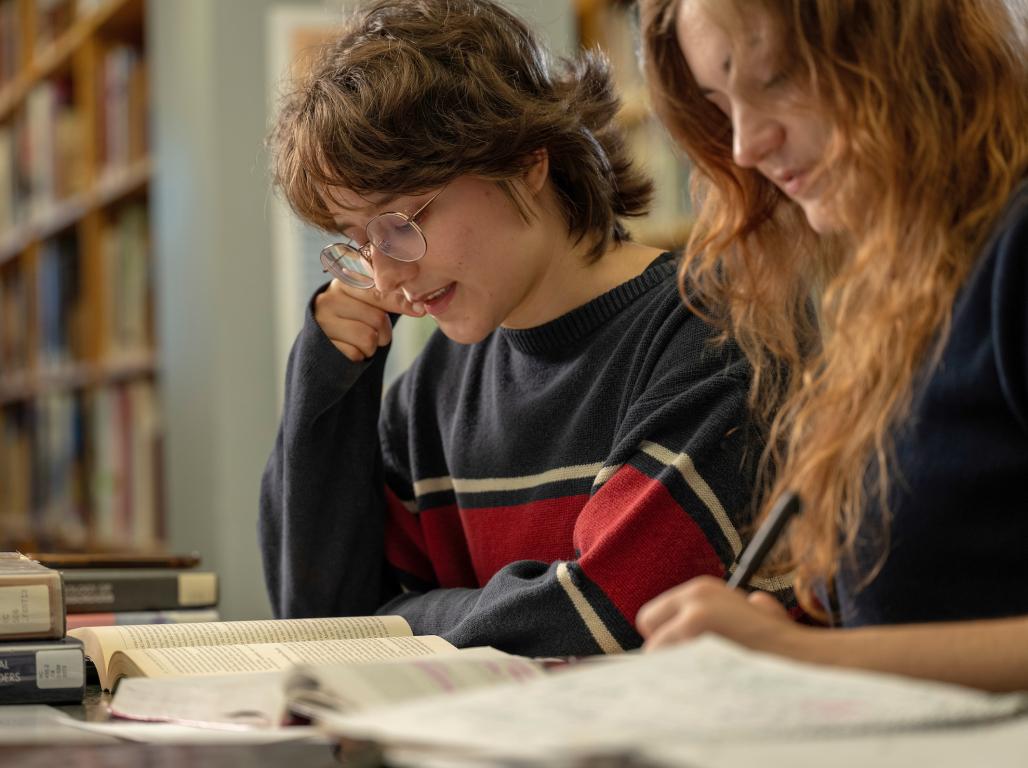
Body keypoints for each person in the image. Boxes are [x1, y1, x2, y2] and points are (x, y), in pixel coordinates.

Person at [260, 0, 787, 657]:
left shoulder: (705, 337)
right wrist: (329, 384)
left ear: (525, 163)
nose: (387, 280)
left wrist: (402, 620)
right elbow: (324, 627)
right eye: (357, 242)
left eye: (400, 223)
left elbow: (600, 619)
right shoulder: (436, 387)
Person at [635, 0, 1028, 691]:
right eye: (720, 102)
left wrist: (794, 657)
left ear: (900, 51)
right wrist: (789, 641)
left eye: (778, 76)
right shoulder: (899, 285)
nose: (744, 146)